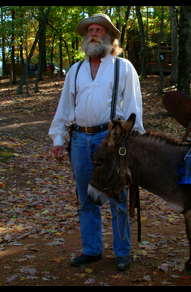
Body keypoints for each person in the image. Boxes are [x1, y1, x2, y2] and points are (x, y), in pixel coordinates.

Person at [49, 13, 144, 270]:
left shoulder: (123, 67)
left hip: (111, 140)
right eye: (89, 30)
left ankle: (123, 251)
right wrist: (59, 139)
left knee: (117, 197)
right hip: (79, 139)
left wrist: (135, 142)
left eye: (98, 30)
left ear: (109, 37)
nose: (92, 33)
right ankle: (91, 251)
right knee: (85, 198)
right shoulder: (76, 70)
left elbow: (134, 108)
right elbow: (64, 108)